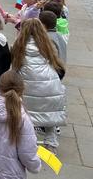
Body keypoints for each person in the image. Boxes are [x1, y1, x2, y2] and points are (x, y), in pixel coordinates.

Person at [11, 18, 66, 152]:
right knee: (50, 115)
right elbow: (58, 66)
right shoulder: (47, 45)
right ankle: (51, 143)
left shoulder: (19, 46)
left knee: (26, 116)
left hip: (28, 87)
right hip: (50, 85)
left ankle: (28, 143)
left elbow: (15, 69)